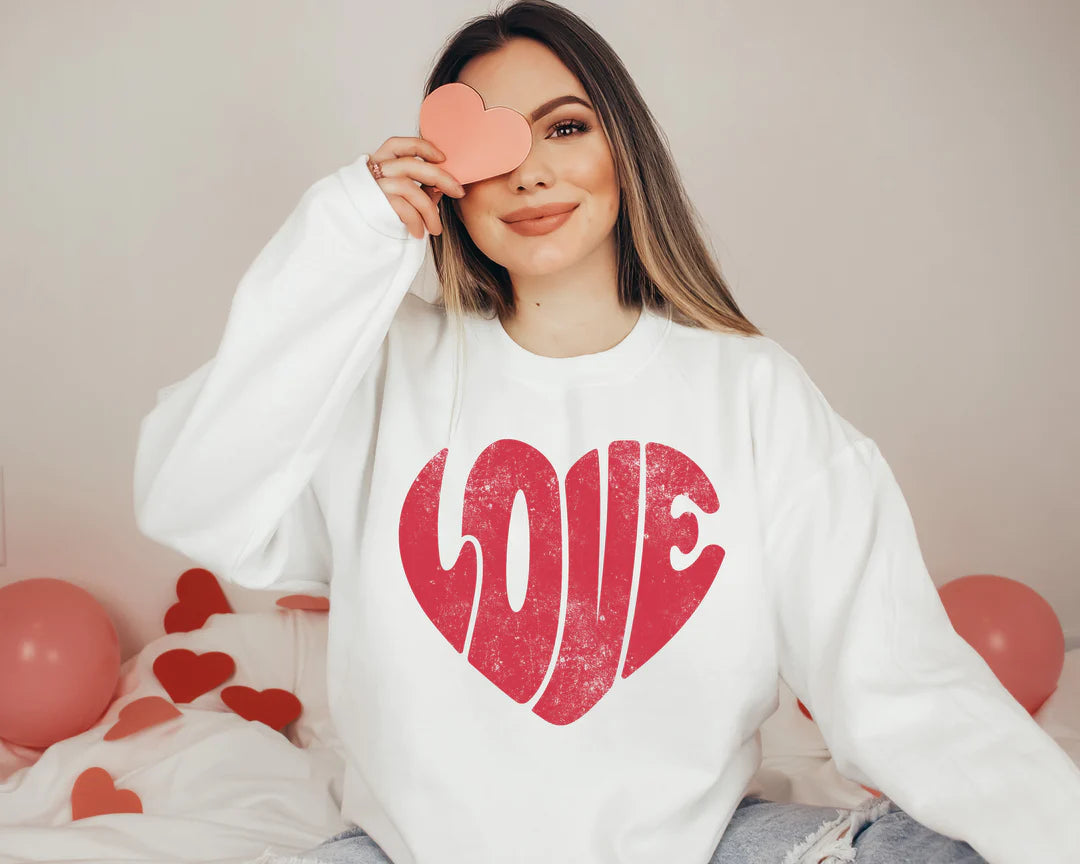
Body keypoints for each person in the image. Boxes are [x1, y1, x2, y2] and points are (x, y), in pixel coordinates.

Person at [132, 2, 1080, 862]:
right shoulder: (381, 374)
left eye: (567, 128)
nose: (531, 170)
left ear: (623, 149)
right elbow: (190, 500)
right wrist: (348, 234)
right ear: (448, 182)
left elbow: (899, 676)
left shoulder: (749, 389)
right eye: (488, 148)